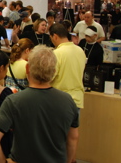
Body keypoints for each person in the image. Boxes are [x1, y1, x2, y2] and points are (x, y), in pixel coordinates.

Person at [0, 45, 79, 163]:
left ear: (28, 69)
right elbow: (73, 138)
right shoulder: (68, 101)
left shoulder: (13, 101)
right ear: (54, 71)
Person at [49, 23, 85, 163]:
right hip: (77, 99)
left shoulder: (57, 53)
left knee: (57, 138)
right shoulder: (80, 51)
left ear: (55, 36)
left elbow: (50, 77)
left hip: (60, 100)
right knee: (72, 135)